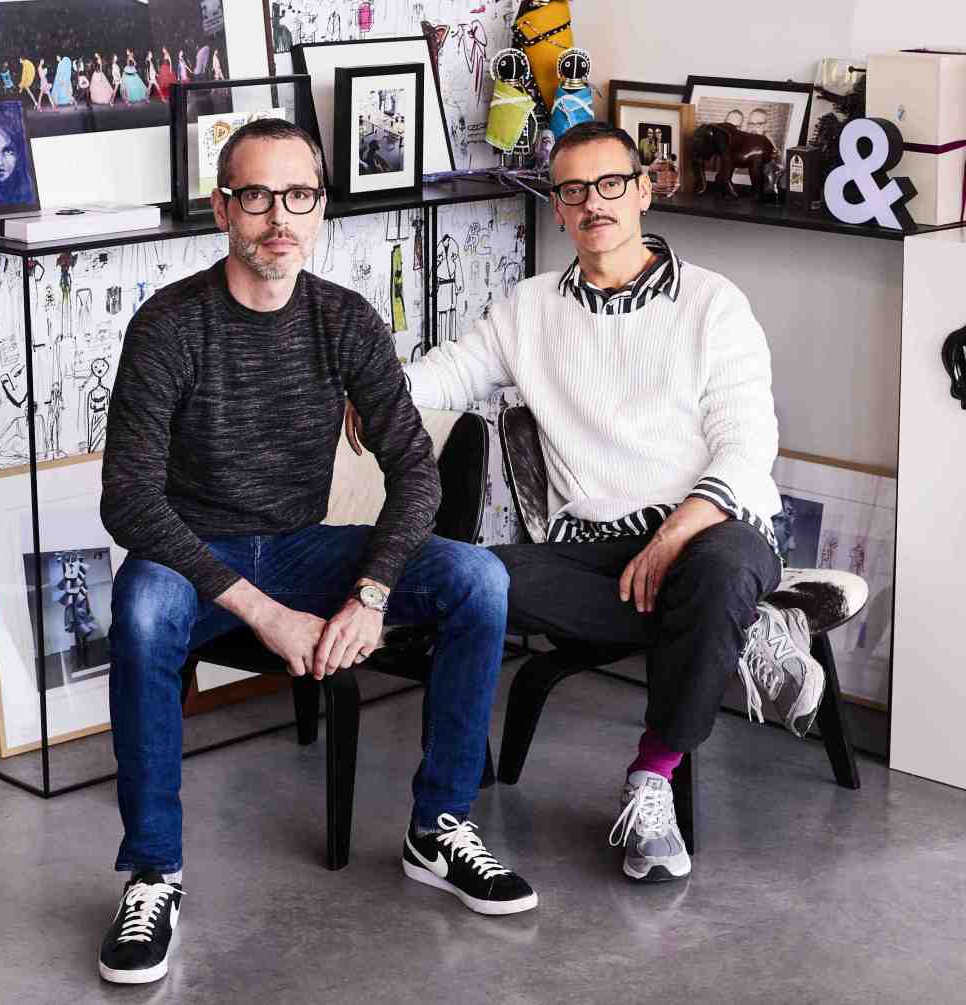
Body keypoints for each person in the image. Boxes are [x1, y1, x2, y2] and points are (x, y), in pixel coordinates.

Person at [97, 118, 537, 986]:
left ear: (321, 207)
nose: (279, 218)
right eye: (257, 196)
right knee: (142, 609)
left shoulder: (343, 320)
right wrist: (262, 612)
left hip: (304, 546)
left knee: (479, 578)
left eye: (298, 195)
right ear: (223, 207)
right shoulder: (169, 325)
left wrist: (372, 591)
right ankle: (153, 873)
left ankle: (438, 827)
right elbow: (129, 499)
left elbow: (416, 472)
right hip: (195, 559)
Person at [347, 121, 825, 885]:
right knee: (467, 578)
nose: (593, 203)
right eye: (573, 191)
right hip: (591, 548)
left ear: (643, 192)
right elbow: (454, 372)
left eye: (610, 184)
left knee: (718, 569)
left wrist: (672, 536)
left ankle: (652, 774)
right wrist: (377, 393)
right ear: (559, 209)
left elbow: (747, 444)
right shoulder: (531, 308)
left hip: (713, 526)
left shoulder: (712, 304)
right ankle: (740, 625)